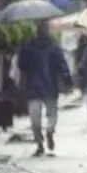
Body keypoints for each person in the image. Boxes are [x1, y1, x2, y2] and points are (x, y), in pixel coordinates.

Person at [18, 22, 73, 156]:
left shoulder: (28, 47)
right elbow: (62, 65)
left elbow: (21, 65)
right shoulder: (53, 48)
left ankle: (39, 142)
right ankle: (49, 130)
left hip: (33, 87)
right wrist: (67, 80)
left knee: (34, 118)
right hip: (50, 86)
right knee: (52, 114)